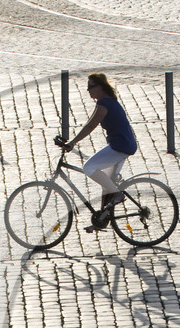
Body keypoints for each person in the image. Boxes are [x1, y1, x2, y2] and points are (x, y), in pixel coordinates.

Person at [55, 73, 139, 232]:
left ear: (99, 87)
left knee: (89, 168)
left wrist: (73, 143)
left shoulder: (104, 105)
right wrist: (72, 141)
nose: (88, 91)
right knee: (105, 183)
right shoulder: (105, 102)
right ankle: (101, 220)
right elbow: (88, 123)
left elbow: (90, 126)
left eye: (90, 87)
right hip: (122, 144)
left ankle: (117, 194)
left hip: (120, 146)